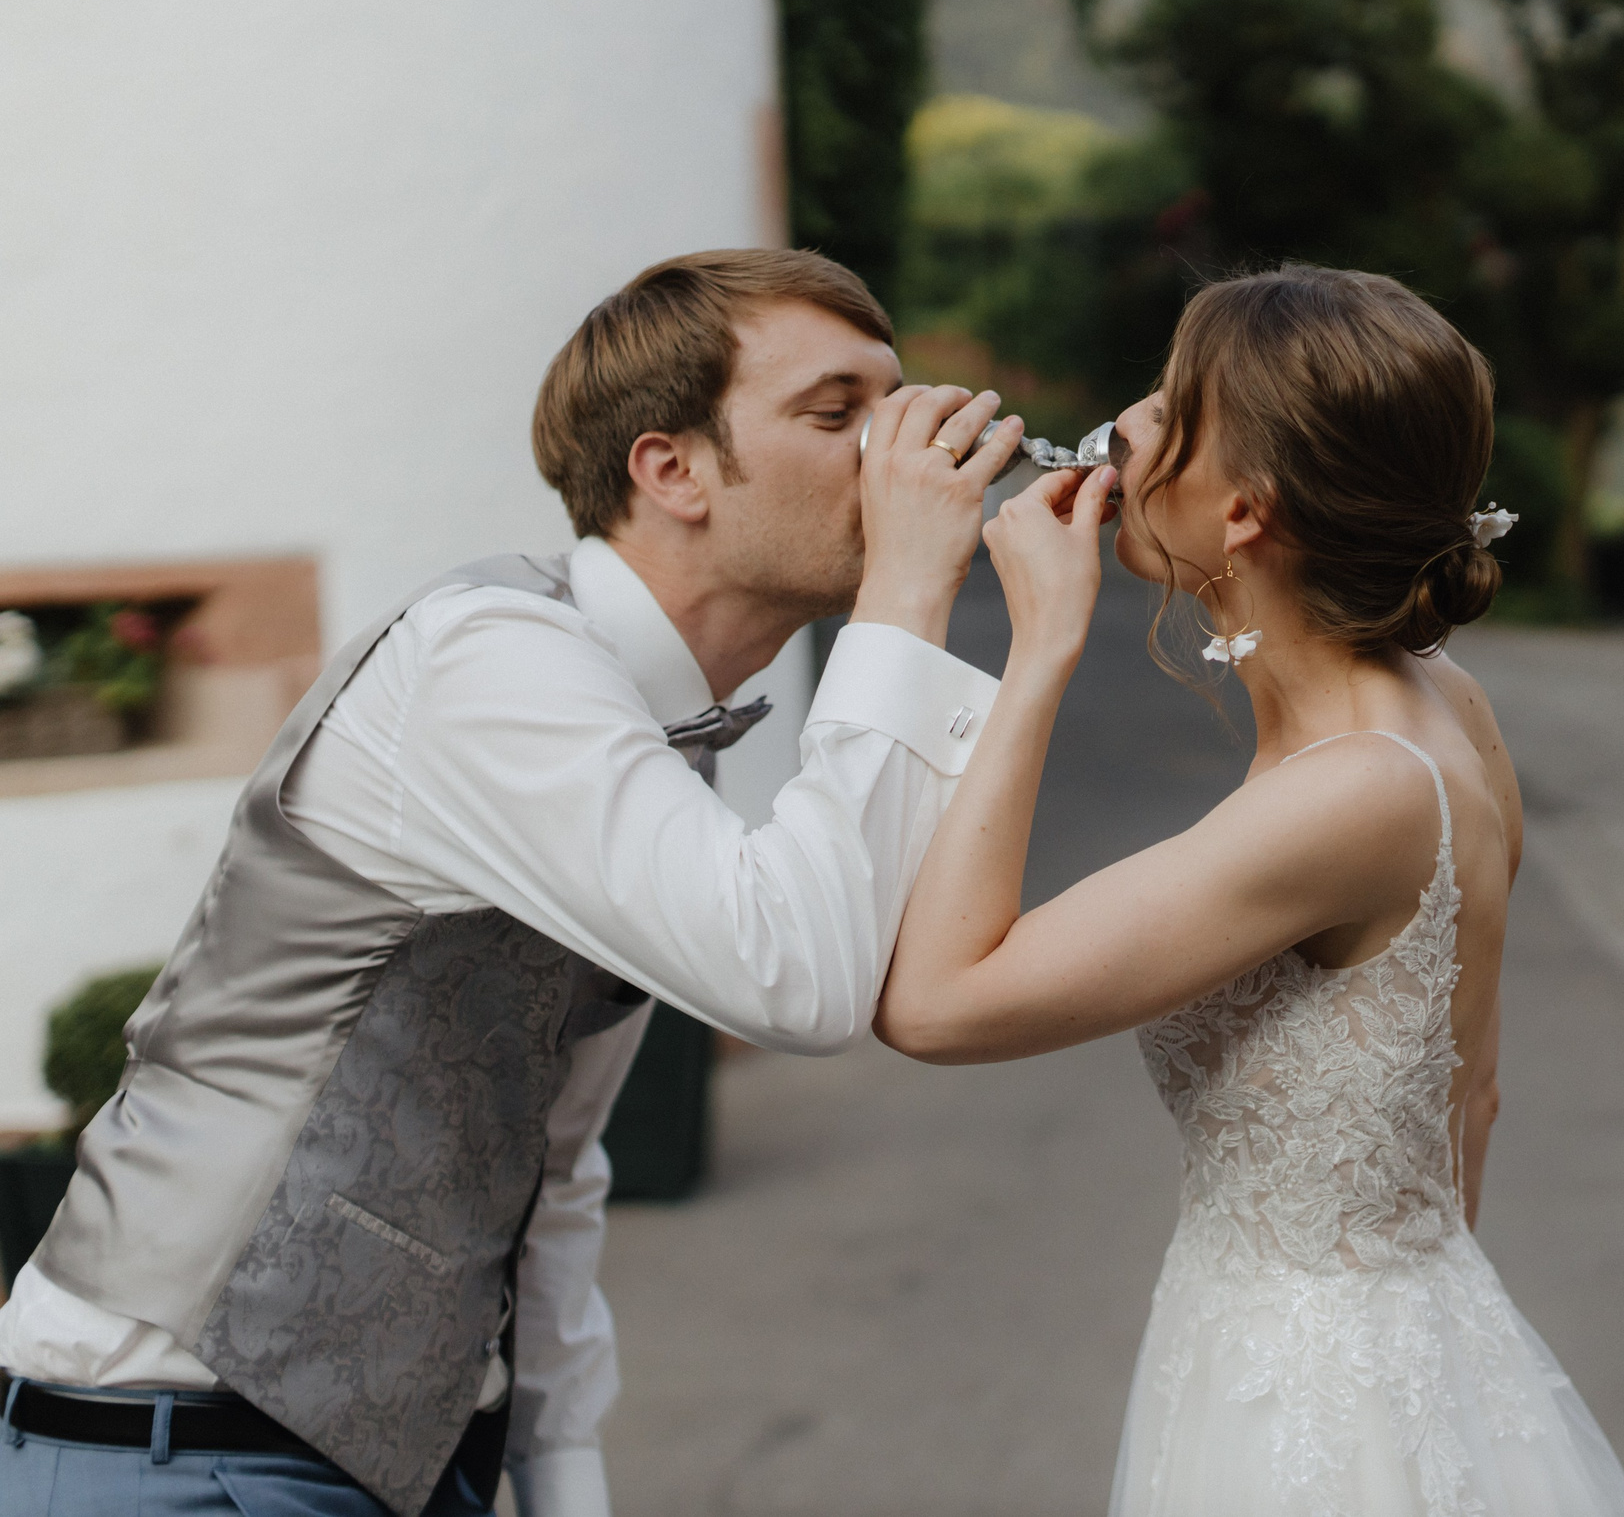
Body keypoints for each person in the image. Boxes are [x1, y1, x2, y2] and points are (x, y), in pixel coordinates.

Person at [0, 250, 1021, 1517]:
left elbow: (554, 1158)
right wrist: (908, 593)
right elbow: (796, 980)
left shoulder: (646, 741)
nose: (898, 448)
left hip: (409, 1467)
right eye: (837, 412)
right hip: (172, 1451)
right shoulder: (492, 659)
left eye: (897, 398)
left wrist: (562, 1476)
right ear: (672, 469)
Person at [874, 265, 1624, 1516]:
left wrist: (1037, 649)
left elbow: (940, 1001)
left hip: (1302, 1410)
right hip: (1388, 1348)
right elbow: (1474, 1094)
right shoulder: (1445, 696)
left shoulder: (1356, 793)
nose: (1125, 420)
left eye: (1172, 405)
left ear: (1244, 514)